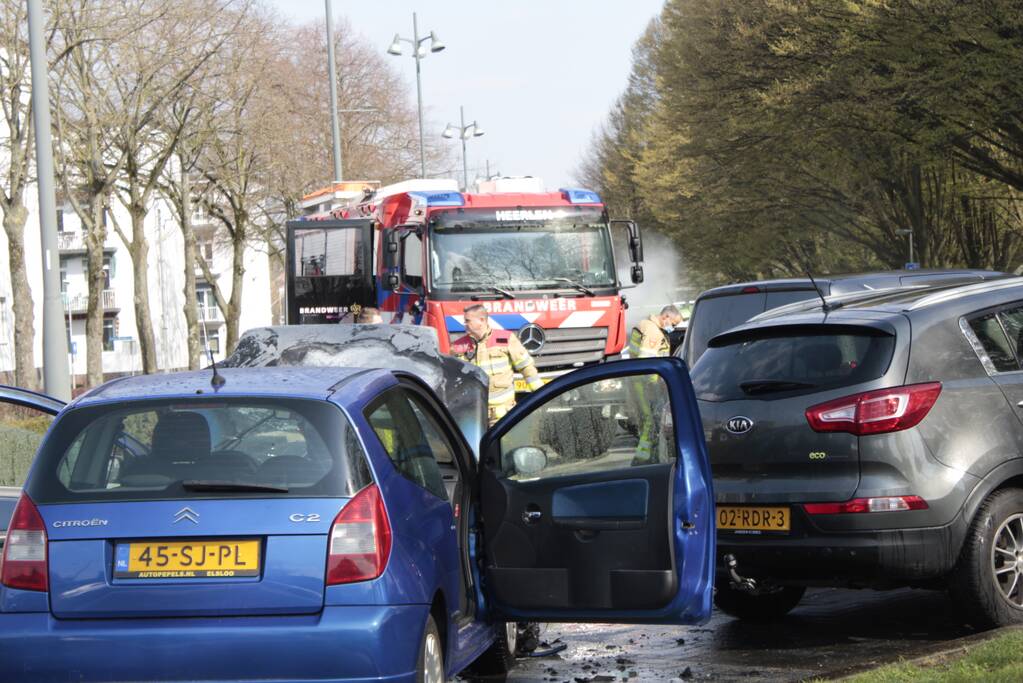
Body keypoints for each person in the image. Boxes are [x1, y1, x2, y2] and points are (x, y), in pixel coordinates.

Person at [450, 304, 542, 426]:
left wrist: (541, 396)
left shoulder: (506, 339)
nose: (464, 324)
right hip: (472, 415)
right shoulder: (457, 347)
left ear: (481, 320)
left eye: (468, 321)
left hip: (501, 416)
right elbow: (451, 380)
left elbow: (527, 368)